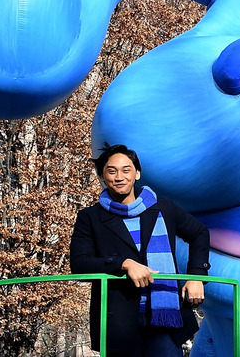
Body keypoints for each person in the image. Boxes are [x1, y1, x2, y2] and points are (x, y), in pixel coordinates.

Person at [70, 144, 210, 356]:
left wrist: (196, 276)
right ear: (101, 176)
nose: (119, 176)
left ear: (137, 173)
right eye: (111, 170)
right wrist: (123, 264)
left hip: (165, 318)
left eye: (126, 170)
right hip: (118, 322)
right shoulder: (90, 217)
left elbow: (199, 233)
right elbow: (80, 264)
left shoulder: (163, 208)